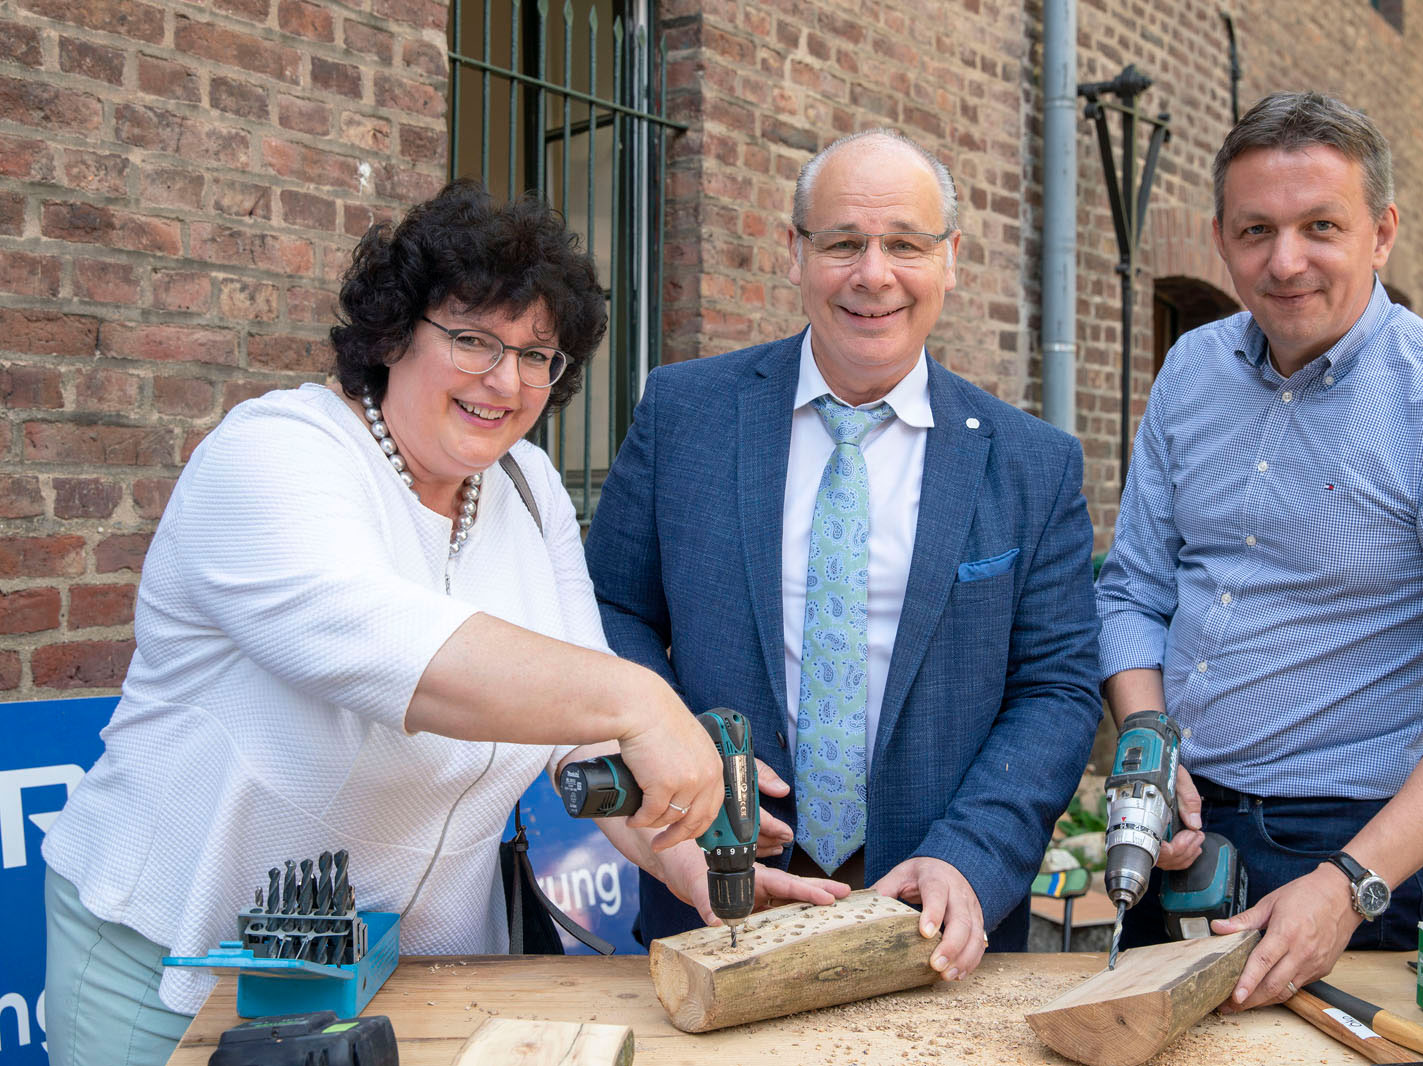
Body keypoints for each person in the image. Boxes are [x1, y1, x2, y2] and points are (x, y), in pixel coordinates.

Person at [40, 180, 841, 1066]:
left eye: (536, 355)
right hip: (184, 960)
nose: (505, 380)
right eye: (472, 340)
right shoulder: (275, 449)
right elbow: (382, 644)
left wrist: (680, 852)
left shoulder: (530, 489)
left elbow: (581, 734)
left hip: (423, 975)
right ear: (393, 334)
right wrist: (646, 702)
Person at [584, 128, 1103, 981]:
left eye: (906, 244)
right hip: (717, 889)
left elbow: (1056, 686)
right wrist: (675, 747)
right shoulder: (684, 413)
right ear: (794, 252)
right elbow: (611, 609)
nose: (873, 274)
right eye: (842, 244)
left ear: (951, 259)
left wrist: (970, 856)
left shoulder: (1031, 464)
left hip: (930, 919)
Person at [1096, 91, 1423, 1011]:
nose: (1285, 262)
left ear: (1381, 233)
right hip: (1175, 827)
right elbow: (1133, 593)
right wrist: (1149, 751)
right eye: (1256, 230)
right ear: (1221, 238)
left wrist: (1350, 884)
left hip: (1347, 849)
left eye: (1321, 226)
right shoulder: (1191, 369)